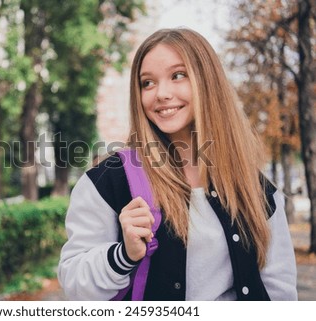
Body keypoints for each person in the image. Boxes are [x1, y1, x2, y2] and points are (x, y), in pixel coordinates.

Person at [57, 28, 297, 301]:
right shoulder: (108, 182)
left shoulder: (254, 187)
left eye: (178, 75)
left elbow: (280, 290)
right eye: (147, 83)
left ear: (207, 82)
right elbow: (74, 284)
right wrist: (123, 254)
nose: (161, 93)